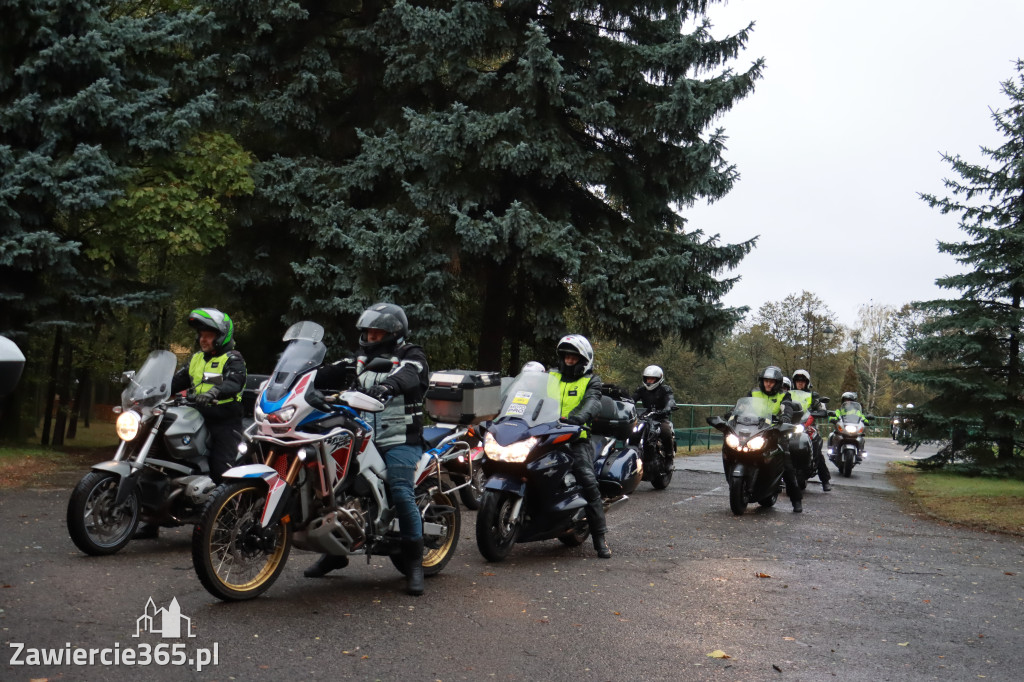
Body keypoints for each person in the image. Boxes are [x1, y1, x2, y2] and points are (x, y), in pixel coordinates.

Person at [304, 302, 430, 596]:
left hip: (401, 439)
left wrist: (388, 387)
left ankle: (413, 563)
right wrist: (297, 381)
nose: (371, 339)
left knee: (400, 490)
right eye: (369, 334)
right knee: (335, 487)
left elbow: (411, 375)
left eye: (377, 334)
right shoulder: (358, 360)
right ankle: (336, 553)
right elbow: (323, 373)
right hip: (363, 435)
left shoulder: (411, 355)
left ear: (394, 334)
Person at [136, 308, 246, 539]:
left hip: (224, 421)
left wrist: (216, 390)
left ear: (222, 335)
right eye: (201, 335)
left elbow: (235, 383)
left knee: (221, 471)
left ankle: (230, 525)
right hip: (196, 416)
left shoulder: (233, 358)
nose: (203, 339)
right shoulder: (196, 360)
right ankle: (152, 520)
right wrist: (148, 393)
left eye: (208, 335)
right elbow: (174, 382)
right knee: (161, 462)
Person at [552, 334, 611, 559]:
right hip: (545, 434)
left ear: (583, 359)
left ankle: (600, 539)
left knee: (588, 482)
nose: (568, 359)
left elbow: (593, 401)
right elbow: (531, 396)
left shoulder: (591, 380)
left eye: (573, 356)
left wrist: (577, 418)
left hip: (576, 436)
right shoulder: (551, 377)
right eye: (566, 355)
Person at [748, 365, 803, 513]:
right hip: (756, 432)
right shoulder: (754, 393)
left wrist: (785, 418)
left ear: (777, 383)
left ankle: (796, 500)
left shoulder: (784, 396)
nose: (768, 384)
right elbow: (743, 407)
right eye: (766, 380)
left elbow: (787, 408)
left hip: (776, 433)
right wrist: (732, 414)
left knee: (786, 464)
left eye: (771, 381)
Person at [791, 369, 832, 491]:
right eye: (798, 380)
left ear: (807, 382)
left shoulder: (812, 396)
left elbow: (821, 407)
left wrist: (821, 411)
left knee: (816, 449)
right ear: (794, 382)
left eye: (802, 381)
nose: (800, 383)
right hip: (792, 425)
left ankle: (825, 480)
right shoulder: (788, 394)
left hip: (808, 426)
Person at [631, 365, 676, 458]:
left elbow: (670, 400)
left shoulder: (665, 390)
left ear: (658, 379)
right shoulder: (641, 390)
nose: (649, 381)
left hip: (660, 417)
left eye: (652, 379)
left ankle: (669, 456)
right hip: (645, 417)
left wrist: (667, 408)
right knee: (632, 430)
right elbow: (631, 400)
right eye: (647, 379)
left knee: (665, 431)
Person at [828, 391, 869, 458]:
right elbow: (835, 415)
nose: (848, 402)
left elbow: (862, 417)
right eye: (846, 400)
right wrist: (833, 419)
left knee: (861, 437)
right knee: (833, 435)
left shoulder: (857, 412)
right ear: (843, 401)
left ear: (853, 402)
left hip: (854, 429)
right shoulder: (840, 411)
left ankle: (860, 452)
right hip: (844, 429)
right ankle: (833, 450)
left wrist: (866, 421)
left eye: (850, 401)